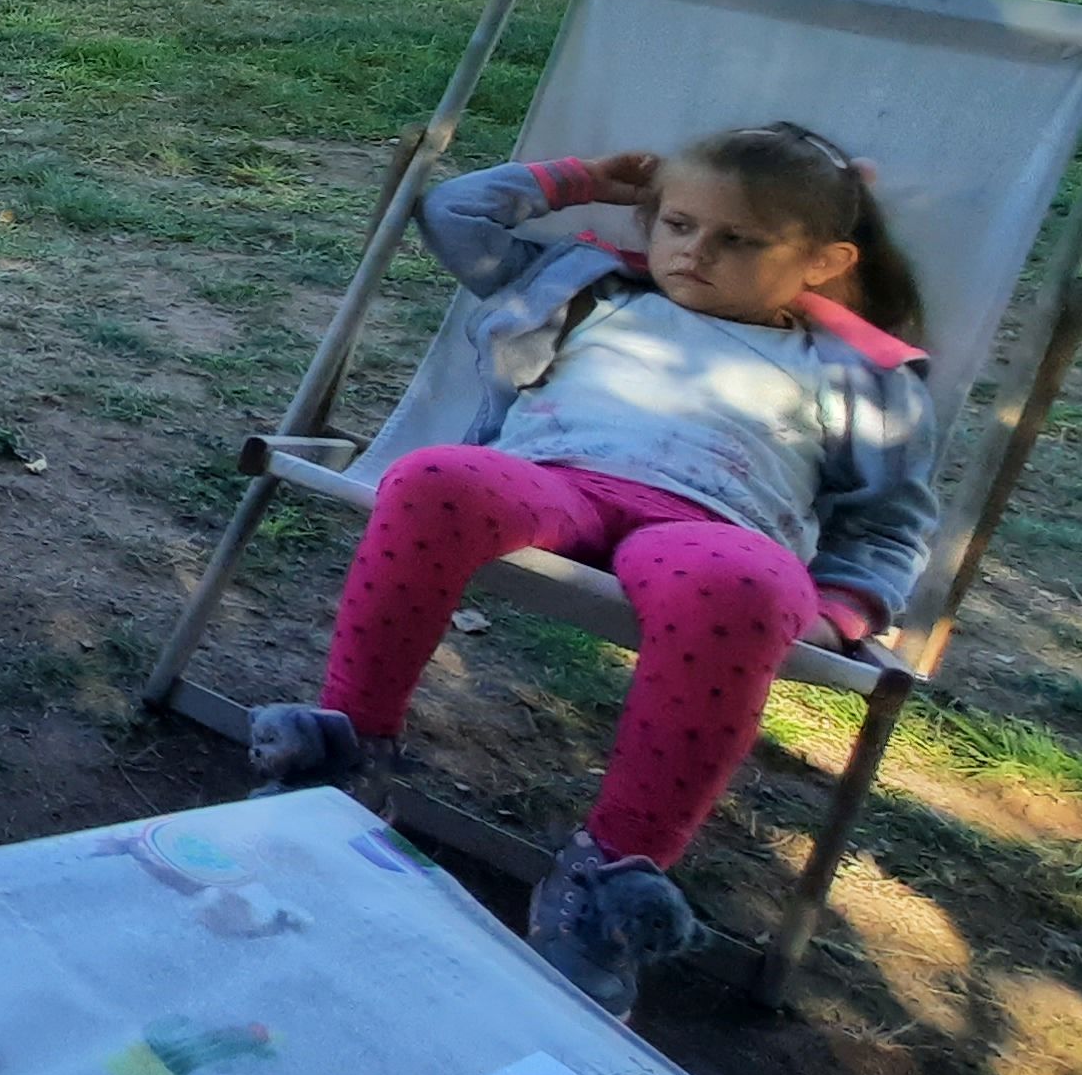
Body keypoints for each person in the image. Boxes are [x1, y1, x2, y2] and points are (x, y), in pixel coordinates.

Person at [243, 124, 938, 1015]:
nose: (695, 252)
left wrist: (846, 608)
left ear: (824, 262)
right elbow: (453, 214)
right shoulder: (591, 283)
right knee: (431, 478)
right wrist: (582, 180)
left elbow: (889, 518)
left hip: (711, 527)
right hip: (554, 483)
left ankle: (611, 880)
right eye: (678, 223)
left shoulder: (856, 371)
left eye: (738, 240)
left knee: (746, 586)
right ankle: (349, 752)